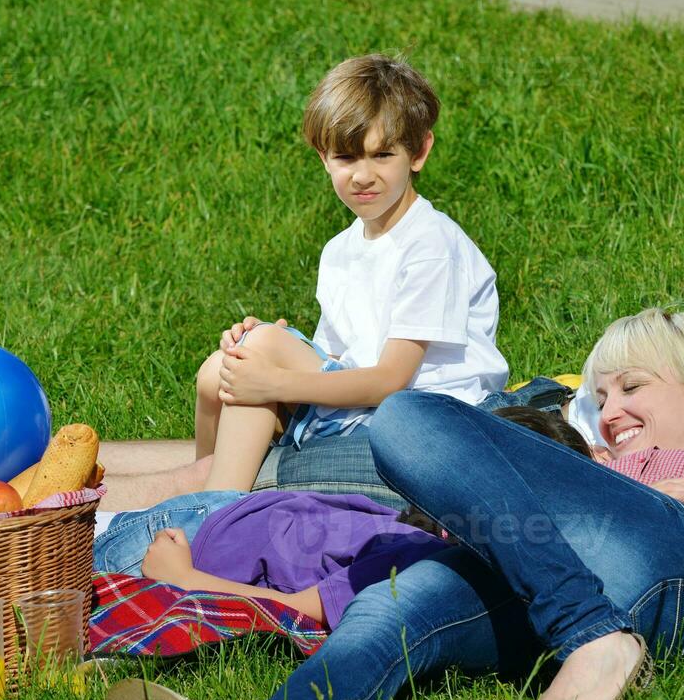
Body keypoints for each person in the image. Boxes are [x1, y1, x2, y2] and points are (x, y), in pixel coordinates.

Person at [104, 309, 684, 700]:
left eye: (632, 387)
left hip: (675, 558)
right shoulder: (578, 460)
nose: (610, 408)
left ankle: (596, 642)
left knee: (407, 414)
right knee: (401, 602)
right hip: (555, 589)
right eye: (599, 393)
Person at [191, 53, 508, 494]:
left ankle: (216, 510)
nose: (363, 175)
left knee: (257, 359)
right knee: (220, 369)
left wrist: (275, 375)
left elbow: (391, 380)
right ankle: (201, 483)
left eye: (382, 155)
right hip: (361, 406)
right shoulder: (340, 250)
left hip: (421, 417)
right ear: (324, 158)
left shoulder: (430, 244)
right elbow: (334, 358)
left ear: (418, 152)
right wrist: (269, 341)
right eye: (346, 157)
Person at [92, 407, 594, 628]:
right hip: (212, 515)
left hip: (178, 548)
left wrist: (185, 579)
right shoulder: (421, 533)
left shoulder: (423, 567)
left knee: (32, 550)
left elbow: (299, 608)